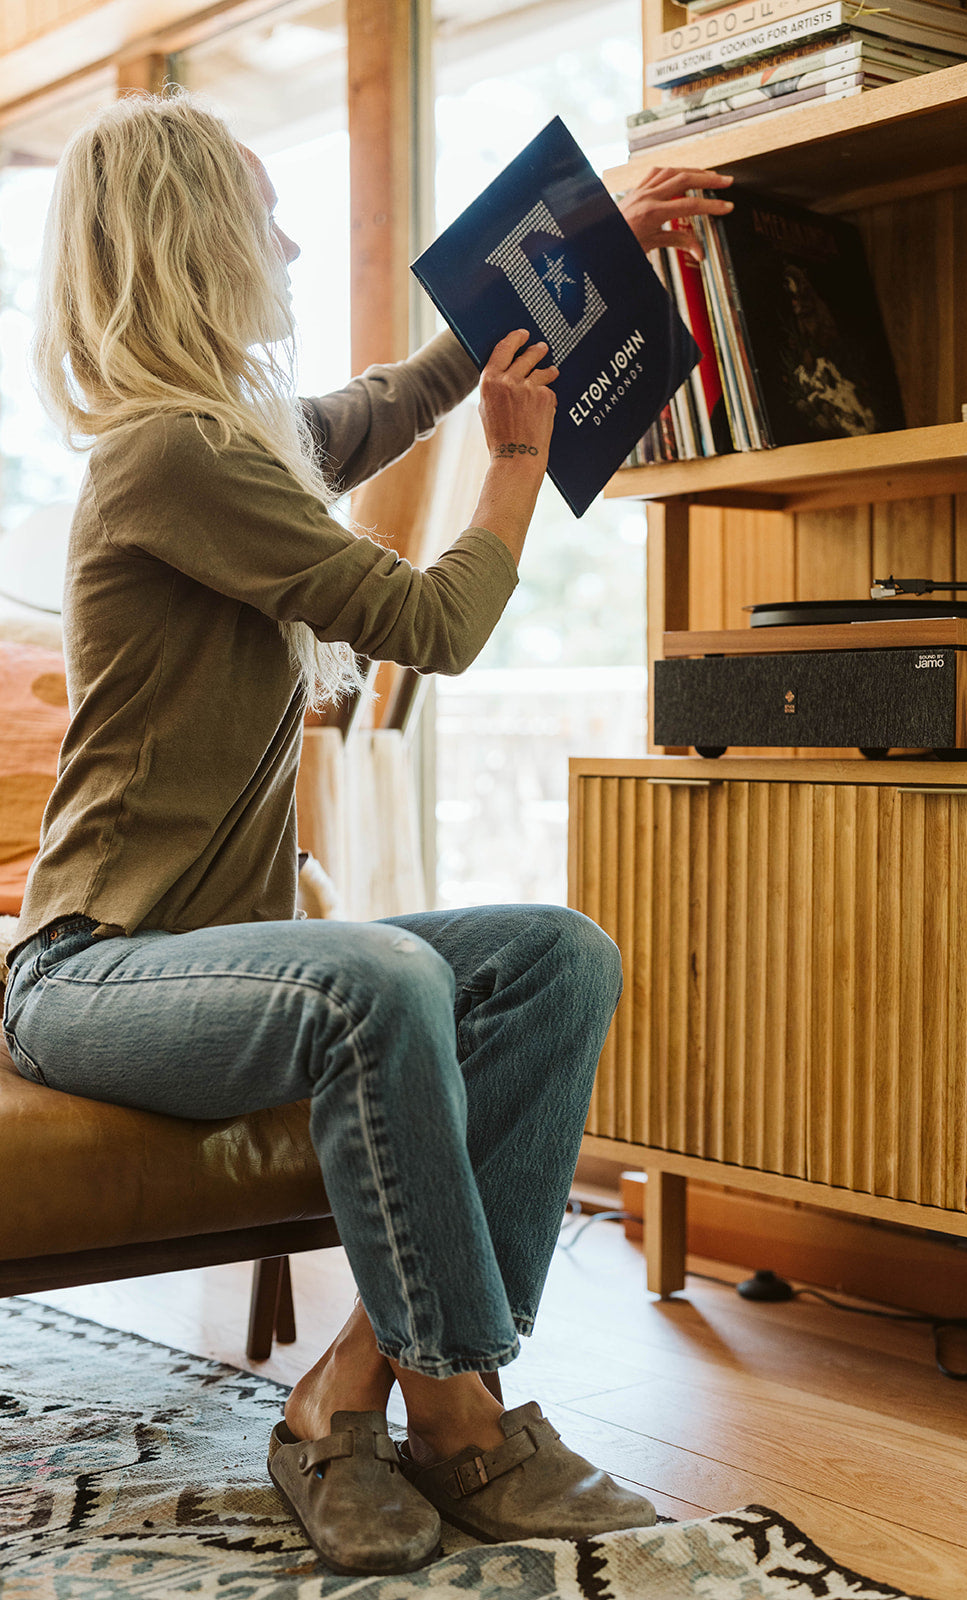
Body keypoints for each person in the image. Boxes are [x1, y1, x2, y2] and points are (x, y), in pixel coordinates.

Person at [0, 93, 734, 1577]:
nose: (284, 240)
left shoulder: (245, 439)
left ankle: (349, 1392)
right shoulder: (172, 455)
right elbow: (430, 623)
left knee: (558, 959)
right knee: (379, 977)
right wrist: (516, 465)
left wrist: (592, 253)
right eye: (262, 214)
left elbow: (407, 391)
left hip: (215, 959)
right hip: (91, 971)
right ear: (191, 240)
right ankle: (466, 1421)